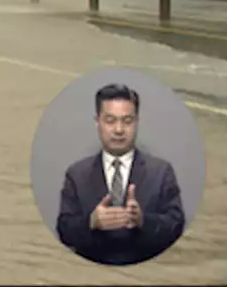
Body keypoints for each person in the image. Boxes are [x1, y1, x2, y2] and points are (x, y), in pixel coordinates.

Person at [56, 83, 186, 266]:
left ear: (137, 122)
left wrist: (143, 221)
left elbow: (176, 227)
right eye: (110, 120)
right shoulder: (76, 175)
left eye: (127, 121)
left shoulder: (161, 172)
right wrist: (91, 222)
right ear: (97, 122)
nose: (118, 130)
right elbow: (64, 229)